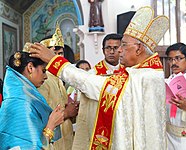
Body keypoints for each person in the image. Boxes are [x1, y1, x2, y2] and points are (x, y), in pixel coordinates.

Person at [30, 6, 169, 150]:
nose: (119, 50)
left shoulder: (143, 77)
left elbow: (91, 83)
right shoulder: (144, 73)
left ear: (139, 49)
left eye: (124, 45)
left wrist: (54, 61)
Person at [0, 43, 76, 149]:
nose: (45, 77)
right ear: (30, 68)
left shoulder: (24, 98)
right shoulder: (22, 104)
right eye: (43, 71)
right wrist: (51, 126)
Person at [73, 33, 123, 148]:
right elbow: (83, 104)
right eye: (108, 48)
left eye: (115, 48)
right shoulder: (92, 75)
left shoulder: (128, 73)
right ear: (103, 50)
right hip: (98, 125)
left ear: (121, 49)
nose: (111, 51)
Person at [38, 24, 78, 150]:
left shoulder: (59, 78)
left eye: (60, 54)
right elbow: (42, 114)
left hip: (66, 136)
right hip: (52, 138)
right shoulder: (42, 78)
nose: (56, 58)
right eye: (53, 53)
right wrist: (67, 112)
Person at [165, 43, 186, 150]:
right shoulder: (165, 83)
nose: (174, 63)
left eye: (178, 58)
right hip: (170, 140)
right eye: (171, 59)